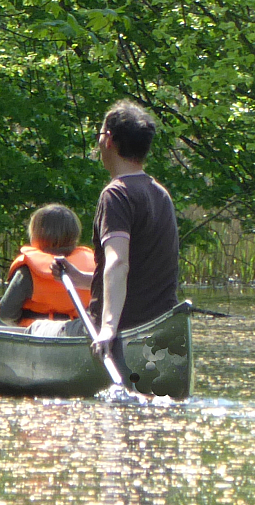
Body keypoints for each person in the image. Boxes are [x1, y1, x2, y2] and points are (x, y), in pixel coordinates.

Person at [85, 99, 180, 367]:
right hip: (159, 326)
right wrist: (75, 276)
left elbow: (118, 263)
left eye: (100, 134)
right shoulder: (160, 193)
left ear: (109, 140)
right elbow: (135, 272)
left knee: (36, 329)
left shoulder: (116, 195)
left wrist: (108, 329)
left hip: (123, 331)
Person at [0, 204, 96, 336]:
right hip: (77, 331)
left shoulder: (27, 271)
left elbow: (6, 314)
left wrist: (23, 323)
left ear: (35, 235)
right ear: (75, 236)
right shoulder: (91, 268)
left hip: (39, 333)